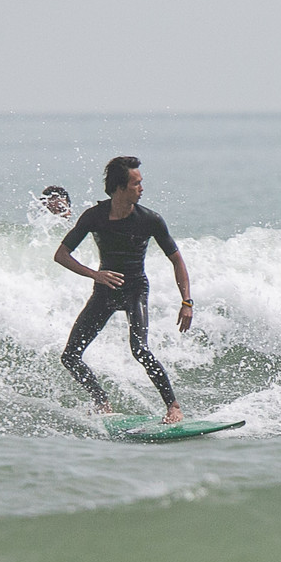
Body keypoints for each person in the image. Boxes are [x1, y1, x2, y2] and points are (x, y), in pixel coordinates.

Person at [53, 156, 193, 424]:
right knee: (70, 356)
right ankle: (101, 401)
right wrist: (95, 274)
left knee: (139, 349)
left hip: (134, 290)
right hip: (105, 291)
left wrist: (186, 302)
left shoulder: (150, 219)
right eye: (136, 184)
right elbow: (61, 255)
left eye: (141, 183)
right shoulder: (94, 217)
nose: (141, 188)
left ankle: (173, 406)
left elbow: (177, 260)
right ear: (119, 188)